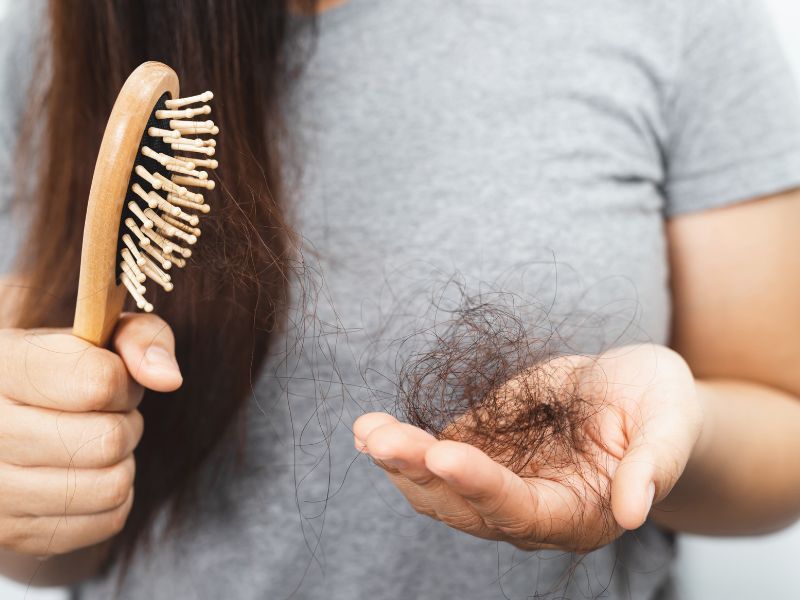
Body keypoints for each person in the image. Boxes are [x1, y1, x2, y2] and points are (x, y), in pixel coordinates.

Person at [1, 0, 800, 598]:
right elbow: (63, 552)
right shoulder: (51, 40)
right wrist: (30, 485)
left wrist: (665, 439)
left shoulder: (679, 15)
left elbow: (782, 436)